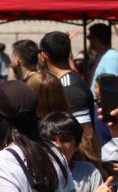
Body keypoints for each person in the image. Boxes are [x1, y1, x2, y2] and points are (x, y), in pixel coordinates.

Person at [38, 31, 97, 159]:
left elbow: (87, 135)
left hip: (77, 170)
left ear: (43, 56)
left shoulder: (70, 88)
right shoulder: (63, 83)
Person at [88, 23, 118, 87]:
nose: (89, 40)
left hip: (103, 97)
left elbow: (112, 85)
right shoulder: (103, 55)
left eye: (89, 37)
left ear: (96, 38)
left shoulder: (111, 56)